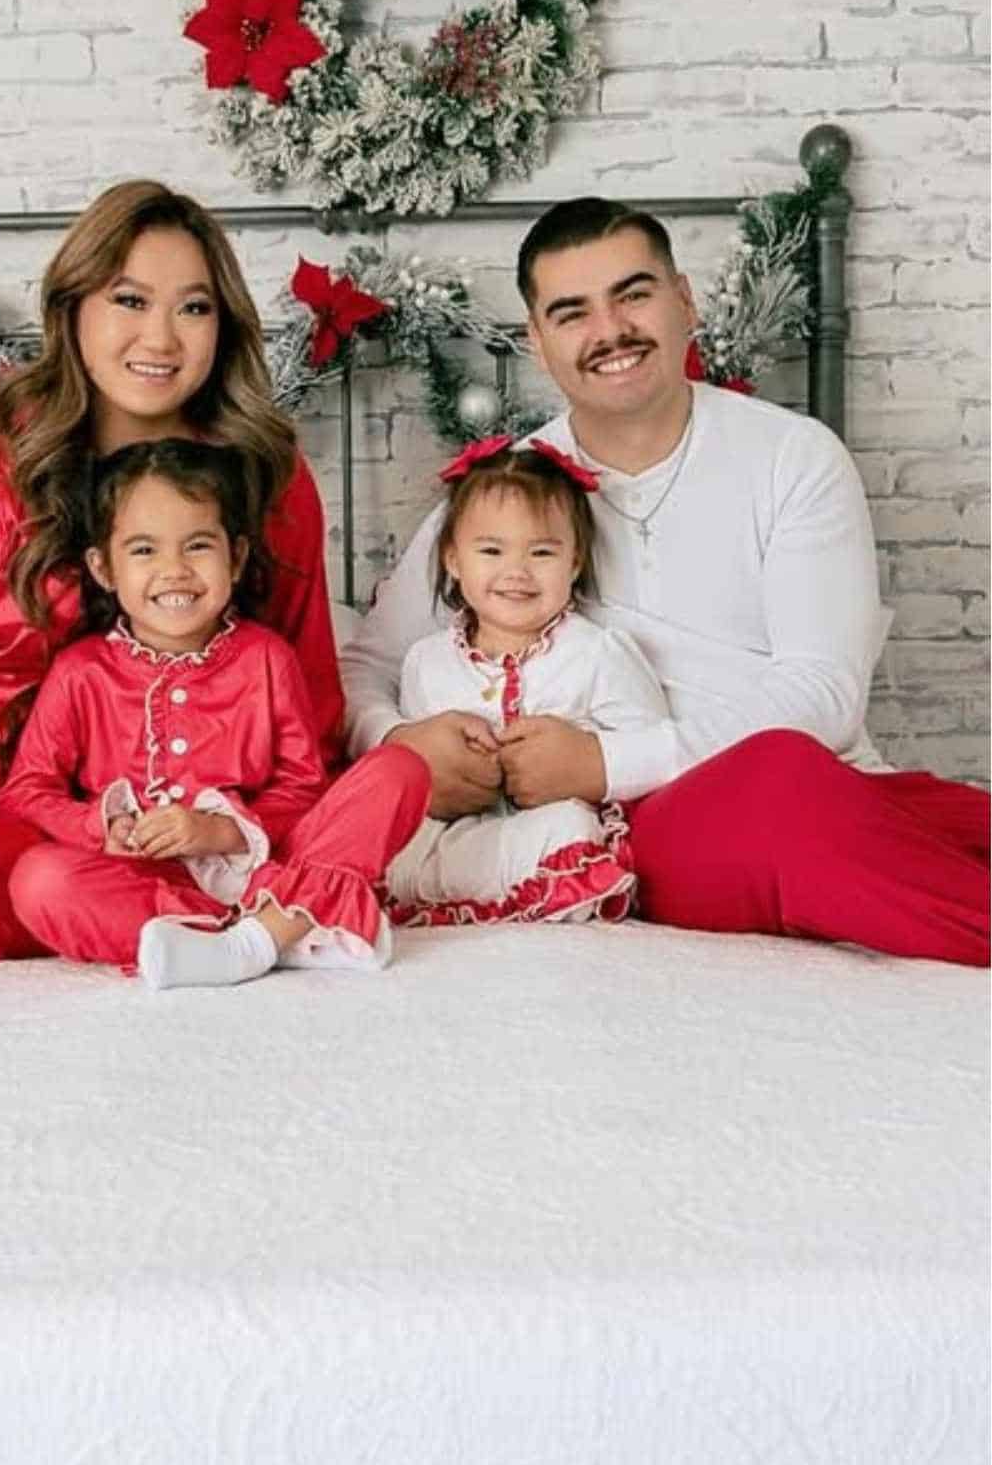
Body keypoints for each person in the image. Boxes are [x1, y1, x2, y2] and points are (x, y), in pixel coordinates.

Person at [342, 197, 991, 967]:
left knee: (944, 817)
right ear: (540, 343)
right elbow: (364, 667)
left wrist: (604, 759)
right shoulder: (503, 500)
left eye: (634, 294)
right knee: (783, 791)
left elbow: (824, 695)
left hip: (829, 780)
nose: (610, 331)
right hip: (652, 826)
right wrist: (405, 746)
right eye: (572, 311)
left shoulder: (792, 457)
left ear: (685, 302)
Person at [0, 181, 347, 983]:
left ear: (223, 327)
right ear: (73, 307)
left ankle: (236, 917)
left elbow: (310, 689)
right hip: (10, 809)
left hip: (209, 819)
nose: (160, 336)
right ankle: (180, 919)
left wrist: (271, 829)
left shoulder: (269, 475)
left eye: (194, 308)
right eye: (129, 299)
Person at [0, 440, 429, 988]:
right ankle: (269, 934)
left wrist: (221, 832)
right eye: (144, 550)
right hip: (147, 882)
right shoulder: (80, 671)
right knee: (40, 882)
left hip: (265, 866)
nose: (174, 571)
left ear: (238, 557)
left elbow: (302, 788)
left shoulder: (266, 657)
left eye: (198, 545)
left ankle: (263, 932)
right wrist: (102, 827)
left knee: (399, 769)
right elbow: (27, 789)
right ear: (103, 567)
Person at [384, 435, 668, 927]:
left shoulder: (597, 652)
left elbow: (650, 754)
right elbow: (415, 778)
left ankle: (519, 879)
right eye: (491, 550)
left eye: (541, 553)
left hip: (547, 825)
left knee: (571, 829)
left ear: (574, 562)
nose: (516, 571)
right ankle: (470, 878)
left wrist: (582, 754)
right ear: (454, 560)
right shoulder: (425, 662)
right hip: (457, 833)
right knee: (392, 839)